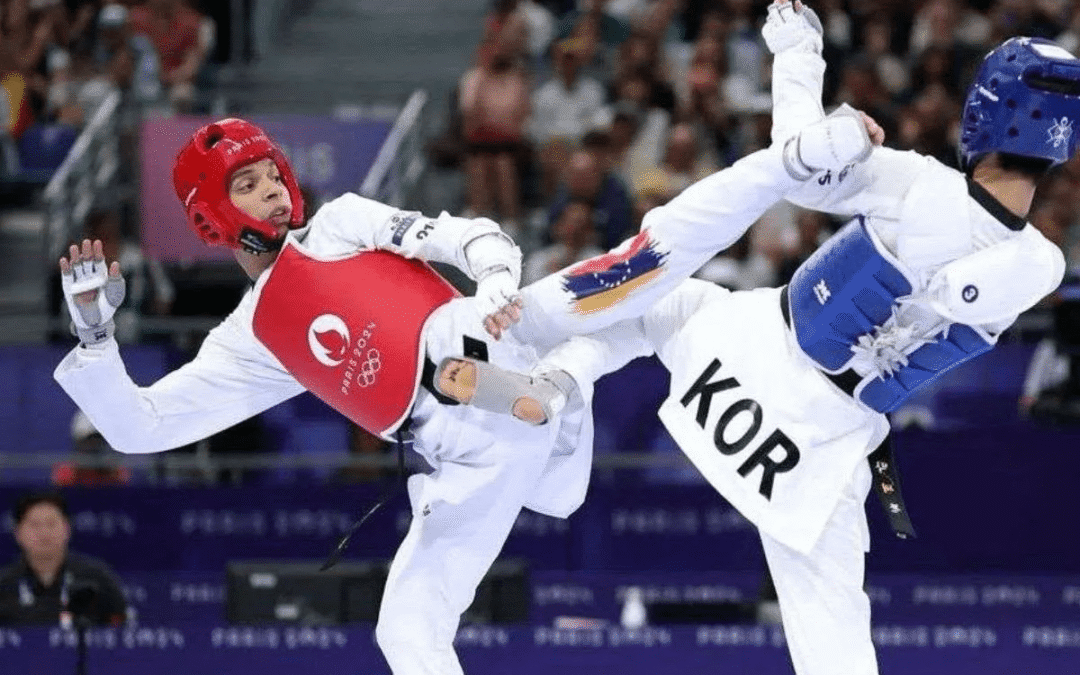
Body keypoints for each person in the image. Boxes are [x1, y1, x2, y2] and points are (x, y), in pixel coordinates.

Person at [51, 10, 876, 674]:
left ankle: (780, 163)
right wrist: (95, 333)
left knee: (657, 273)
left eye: (271, 172)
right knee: (406, 633)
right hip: (471, 458)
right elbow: (142, 428)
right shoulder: (255, 341)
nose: (271, 189)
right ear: (210, 214)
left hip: (502, 336)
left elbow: (459, 232)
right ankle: (562, 386)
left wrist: (491, 287)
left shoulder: (338, 224)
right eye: (248, 183)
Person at [492, 5, 1070, 675]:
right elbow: (967, 290)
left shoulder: (922, 184)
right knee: (835, 640)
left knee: (654, 305)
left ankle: (557, 382)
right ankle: (558, 384)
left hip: (752, 351)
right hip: (822, 442)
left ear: (985, 113)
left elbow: (794, 160)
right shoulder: (1039, 263)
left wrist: (799, 49)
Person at [0, 491, 128, 626]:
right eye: (35, 525)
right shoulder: (4, 584)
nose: (44, 533)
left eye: (51, 524)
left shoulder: (96, 578)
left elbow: (121, 627)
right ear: (18, 533)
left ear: (67, 529)